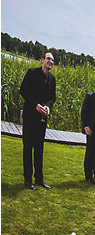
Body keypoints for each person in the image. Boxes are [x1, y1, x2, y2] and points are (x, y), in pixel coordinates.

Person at [20, 53, 57, 190]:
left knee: (39, 148)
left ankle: (39, 179)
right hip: (30, 115)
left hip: (42, 118)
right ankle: (28, 179)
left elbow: (52, 97)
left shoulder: (52, 79)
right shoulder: (32, 73)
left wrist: (48, 106)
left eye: (52, 60)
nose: (50, 61)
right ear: (42, 60)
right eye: (48, 58)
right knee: (28, 147)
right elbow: (23, 91)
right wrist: (35, 105)